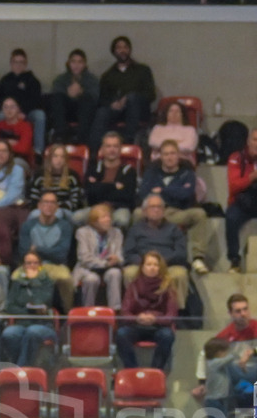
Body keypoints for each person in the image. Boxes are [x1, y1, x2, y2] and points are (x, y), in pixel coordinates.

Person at [190, 293, 257, 407]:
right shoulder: (226, 334)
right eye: (238, 311)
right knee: (222, 366)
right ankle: (240, 395)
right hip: (237, 373)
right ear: (231, 314)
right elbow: (204, 354)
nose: (243, 314)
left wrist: (253, 352)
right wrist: (202, 382)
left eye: (245, 309)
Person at [137, 139, 210, 277]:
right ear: (161, 157)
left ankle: (198, 258)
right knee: (136, 214)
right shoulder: (152, 171)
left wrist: (162, 191)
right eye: (165, 154)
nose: (169, 157)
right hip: (153, 210)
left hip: (177, 212)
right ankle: (141, 255)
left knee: (199, 214)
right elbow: (143, 193)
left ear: (178, 155)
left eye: (172, 153)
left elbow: (185, 194)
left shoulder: (187, 173)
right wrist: (173, 191)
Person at [89, 36, 157, 149]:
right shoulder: (108, 75)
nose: (122, 50)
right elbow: (102, 99)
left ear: (129, 50)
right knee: (102, 112)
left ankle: (128, 142)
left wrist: (128, 98)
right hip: (117, 112)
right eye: (119, 48)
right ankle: (94, 150)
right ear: (114, 51)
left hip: (139, 110)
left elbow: (151, 94)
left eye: (125, 47)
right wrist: (111, 104)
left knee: (132, 98)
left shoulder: (143, 70)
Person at [122, 195, 190, 309]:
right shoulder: (135, 229)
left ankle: (176, 312)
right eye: (152, 207)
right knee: (129, 272)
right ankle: (134, 308)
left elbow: (181, 252)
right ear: (144, 211)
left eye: (159, 207)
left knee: (180, 274)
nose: (156, 210)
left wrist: (160, 263)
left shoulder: (174, 229)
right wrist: (146, 264)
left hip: (168, 265)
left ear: (164, 211)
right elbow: (129, 253)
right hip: (142, 265)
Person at [115, 250, 177, 369]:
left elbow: (171, 315)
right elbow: (125, 312)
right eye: (148, 264)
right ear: (142, 267)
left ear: (160, 268)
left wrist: (155, 319)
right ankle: (132, 370)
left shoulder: (168, 286)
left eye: (155, 265)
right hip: (137, 325)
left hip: (159, 327)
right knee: (121, 334)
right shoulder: (133, 285)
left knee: (167, 335)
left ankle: (156, 371)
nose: (152, 268)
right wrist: (137, 318)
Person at [225, 127, 257, 274]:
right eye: (255, 139)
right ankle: (234, 260)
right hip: (241, 203)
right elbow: (234, 186)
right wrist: (253, 176)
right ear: (248, 141)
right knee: (231, 218)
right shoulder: (236, 158)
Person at [18, 191, 75, 310]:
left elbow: (61, 254)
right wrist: (49, 252)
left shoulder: (64, 226)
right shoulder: (28, 226)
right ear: (39, 206)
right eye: (45, 202)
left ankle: (67, 314)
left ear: (57, 207)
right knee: (15, 276)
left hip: (57, 266)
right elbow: (24, 252)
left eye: (52, 202)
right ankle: (21, 314)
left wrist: (37, 249)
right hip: (32, 264)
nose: (49, 205)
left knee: (66, 279)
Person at [2, 251, 58, 367]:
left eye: (35, 263)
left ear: (40, 265)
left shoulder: (47, 283)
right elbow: (10, 307)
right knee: (9, 333)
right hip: (21, 324)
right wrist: (28, 312)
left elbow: (43, 302)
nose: (32, 266)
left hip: (43, 325)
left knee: (32, 332)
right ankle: (15, 363)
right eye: (28, 263)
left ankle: (22, 367)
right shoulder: (17, 283)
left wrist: (33, 281)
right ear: (23, 266)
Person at [198, 337, 253, 418]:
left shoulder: (221, 365)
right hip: (214, 401)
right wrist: (239, 350)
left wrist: (242, 364)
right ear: (219, 352)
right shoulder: (213, 363)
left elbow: (235, 366)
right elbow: (231, 357)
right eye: (225, 351)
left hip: (222, 400)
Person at [0, 48, 46, 155]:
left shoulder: (32, 80)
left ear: (25, 64)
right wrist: (7, 110)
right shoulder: (5, 80)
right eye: (15, 62)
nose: (18, 65)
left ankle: (38, 151)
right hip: (8, 112)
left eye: (21, 62)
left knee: (40, 115)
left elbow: (36, 100)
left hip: (26, 112)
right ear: (11, 64)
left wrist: (22, 112)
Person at [73, 203, 122, 309]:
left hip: (109, 268)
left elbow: (119, 255)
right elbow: (84, 258)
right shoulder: (82, 232)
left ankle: (115, 311)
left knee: (115, 273)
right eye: (104, 217)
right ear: (94, 221)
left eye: (109, 217)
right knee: (92, 279)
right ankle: (88, 311)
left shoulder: (116, 232)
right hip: (88, 268)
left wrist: (117, 259)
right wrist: (105, 263)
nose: (108, 220)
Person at [83, 131, 137, 226]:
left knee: (122, 220)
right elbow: (90, 193)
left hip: (119, 209)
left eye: (115, 146)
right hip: (96, 207)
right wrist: (114, 186)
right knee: (76, 218)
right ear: (102, 149)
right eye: (108, 146)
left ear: (120, 149)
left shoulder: (129, 171)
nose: (112, 150)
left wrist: (100, 186)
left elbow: (127, 196)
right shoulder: (93, 169)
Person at [49, 49, 99, 146]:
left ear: (84, 64)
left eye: (80, 62)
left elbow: (95, 95)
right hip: (66, 111)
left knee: (87, 100)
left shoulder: (92, 79)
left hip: (84, 112)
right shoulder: (61, 79)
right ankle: (60, 135)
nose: (76, 65)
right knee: (57, 98)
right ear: (69, 63)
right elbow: (56, 91)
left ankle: (81, 138)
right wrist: (69, 93)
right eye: (73, 62)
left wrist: (81, 92)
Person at [29, 143, 83, 217]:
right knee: (33, 214)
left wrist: (54, 207)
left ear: (66, 159)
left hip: (65, 211)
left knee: (57, 213)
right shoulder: (39, 175)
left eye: (62, 157)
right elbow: (34, 200)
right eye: (55, 156)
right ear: (49, 158)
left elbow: (75, 202)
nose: (59, 160)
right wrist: (45, 207)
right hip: (42, 210)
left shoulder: (72, 176)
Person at [0, 97, 33, 166]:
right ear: (2, 110)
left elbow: (23, 149)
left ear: (18, 109)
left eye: (12, 107)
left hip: (18, 158)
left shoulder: (26, 127)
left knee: (16, 164)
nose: (9, 110)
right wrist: (7, 142)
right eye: (6, 107)